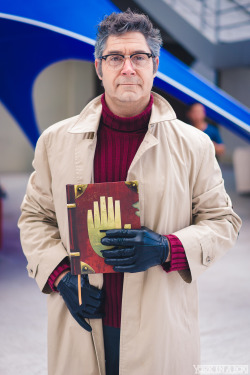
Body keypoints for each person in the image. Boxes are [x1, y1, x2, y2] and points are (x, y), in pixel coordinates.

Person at [18, 9, 242, 375]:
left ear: (154, 66)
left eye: (138, 57)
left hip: (160, 325)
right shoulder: (55, 142)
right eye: (115, 57)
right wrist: (60, 273)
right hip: (84, 318)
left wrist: (169, 247)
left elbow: (223, 221)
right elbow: (35, 218)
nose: (127, 68)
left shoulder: (194, 145)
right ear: (98, 67)